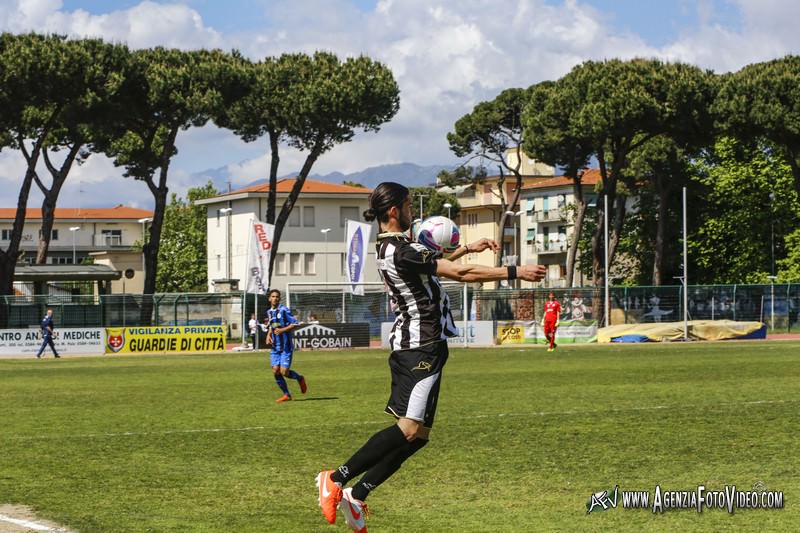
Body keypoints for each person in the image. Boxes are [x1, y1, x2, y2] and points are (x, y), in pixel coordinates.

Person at [316, 182, 546, 532]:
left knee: (419, 435)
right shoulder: (400, 248)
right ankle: (334, 478)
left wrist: (467, 247)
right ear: (393, 210)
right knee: (408, 428)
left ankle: (357, 495)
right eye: (408, 204)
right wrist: (515, 272)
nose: (413, 210)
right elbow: (460, 274)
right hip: (418, 347)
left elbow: (437, 267)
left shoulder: (397, 247)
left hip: (428, 345)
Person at [265, 289, 306, 402]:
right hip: (275, 347)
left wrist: (283, 330)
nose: (275, 298)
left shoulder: (284, 310)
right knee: (275, 370)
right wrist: (268, 335)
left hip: (286, 347)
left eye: (277, 296)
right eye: (273, 296)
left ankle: (299, 378)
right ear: (269, 298)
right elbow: (271, 326)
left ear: (279, 298)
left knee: (284, 372)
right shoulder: (269, 312)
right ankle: (286, 395)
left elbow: (295, 323)